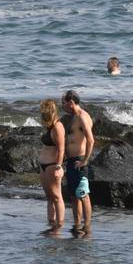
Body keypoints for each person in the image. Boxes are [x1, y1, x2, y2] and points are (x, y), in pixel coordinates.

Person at [61, 90, 95, 236]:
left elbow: (91, 140)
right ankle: (77, 225)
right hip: (70, 161)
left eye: (63, 103)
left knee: (83, 195)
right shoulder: (72, 117)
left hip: (80, 161)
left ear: (71, 102)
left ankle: (87, 227)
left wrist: (85, 161)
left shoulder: (82, 117)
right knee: (74, 196)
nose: (62, 106)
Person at [37, 99, 66, 231]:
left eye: (44, 112)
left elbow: (61, 149)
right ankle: (51, 223)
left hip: (52, 165)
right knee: (49, 197)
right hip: (44, 165)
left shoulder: (58, 127)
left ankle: (59, 225)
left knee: (56, 196)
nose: (42, 115)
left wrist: (58, 167)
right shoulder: (49, 126)